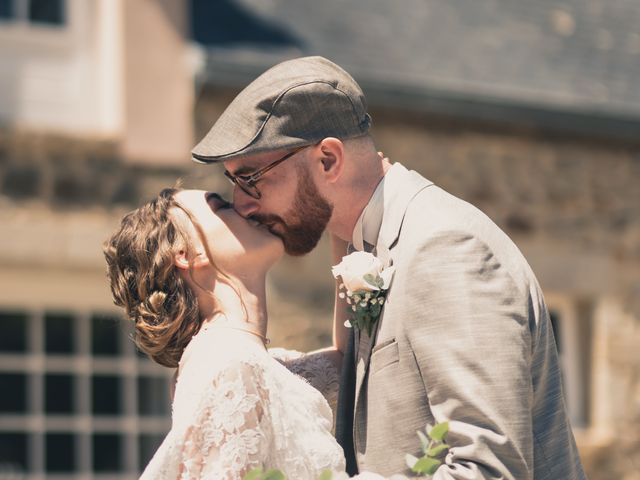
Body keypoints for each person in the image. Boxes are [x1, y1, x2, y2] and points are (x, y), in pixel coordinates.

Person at [191, 56, 587, 479]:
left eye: (251, 179)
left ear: (327, 160)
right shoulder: (366, 244)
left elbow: (489, 468)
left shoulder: (446, 248)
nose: (242, 204)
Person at [104, 188, 351, 479]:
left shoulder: (241, 360)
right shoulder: (230, 364)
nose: (247, 208)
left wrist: (343, 217)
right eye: (221, 206)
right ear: (185, 254)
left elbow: (350, 361)